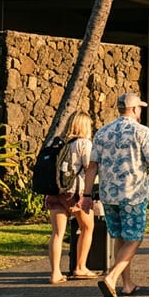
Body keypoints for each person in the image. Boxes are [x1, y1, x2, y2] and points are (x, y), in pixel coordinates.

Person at [80, 92, 149, 297]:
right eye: (140, 108)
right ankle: (112, 277)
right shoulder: (141, 132)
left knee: (120, 237)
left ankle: (127, 285)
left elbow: (92, 167)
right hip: (133, 194)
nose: (141, 111)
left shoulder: (102, 132)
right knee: (134, 238)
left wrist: (87, 195)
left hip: (108, 195)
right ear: (134, 109)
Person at [46, 112, 97, 284]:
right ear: (85, 126)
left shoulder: (58, 143)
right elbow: (90, 169)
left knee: (57, 233)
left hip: (54, 192)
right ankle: (80, 267)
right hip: (74, 193)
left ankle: (55, 273)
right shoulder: (84, 144)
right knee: (87, 227)